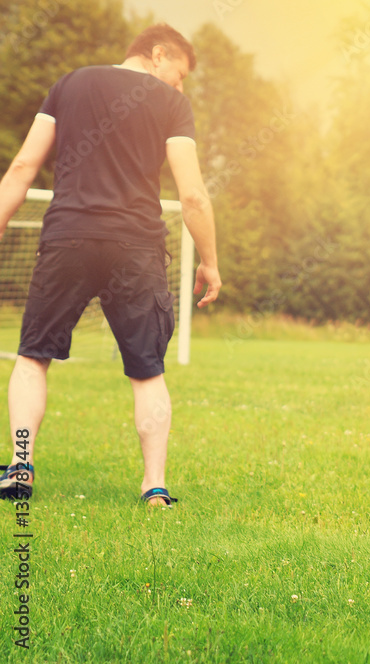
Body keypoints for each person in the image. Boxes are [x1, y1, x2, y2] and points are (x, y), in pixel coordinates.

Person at [0, 24, 221, 506]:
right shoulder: (171, 104)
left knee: (33, 358)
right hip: (136, 247)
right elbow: (192, 195)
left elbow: (21, 169)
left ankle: (20, 467)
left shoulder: (70, 84)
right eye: (179, 75)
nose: (179, 87)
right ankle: (154, 487)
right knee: (147, 370)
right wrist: (210, 261)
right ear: (158, 55)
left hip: (68, 238)